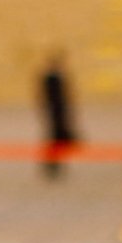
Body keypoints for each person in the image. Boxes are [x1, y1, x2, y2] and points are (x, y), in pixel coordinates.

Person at [38, 51, 79, 179]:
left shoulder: (57, 77)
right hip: (55, 112)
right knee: (55, 138)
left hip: (58, 111)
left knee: (58, 139)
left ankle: (55, 165)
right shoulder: (51, 78)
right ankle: (52, 165)